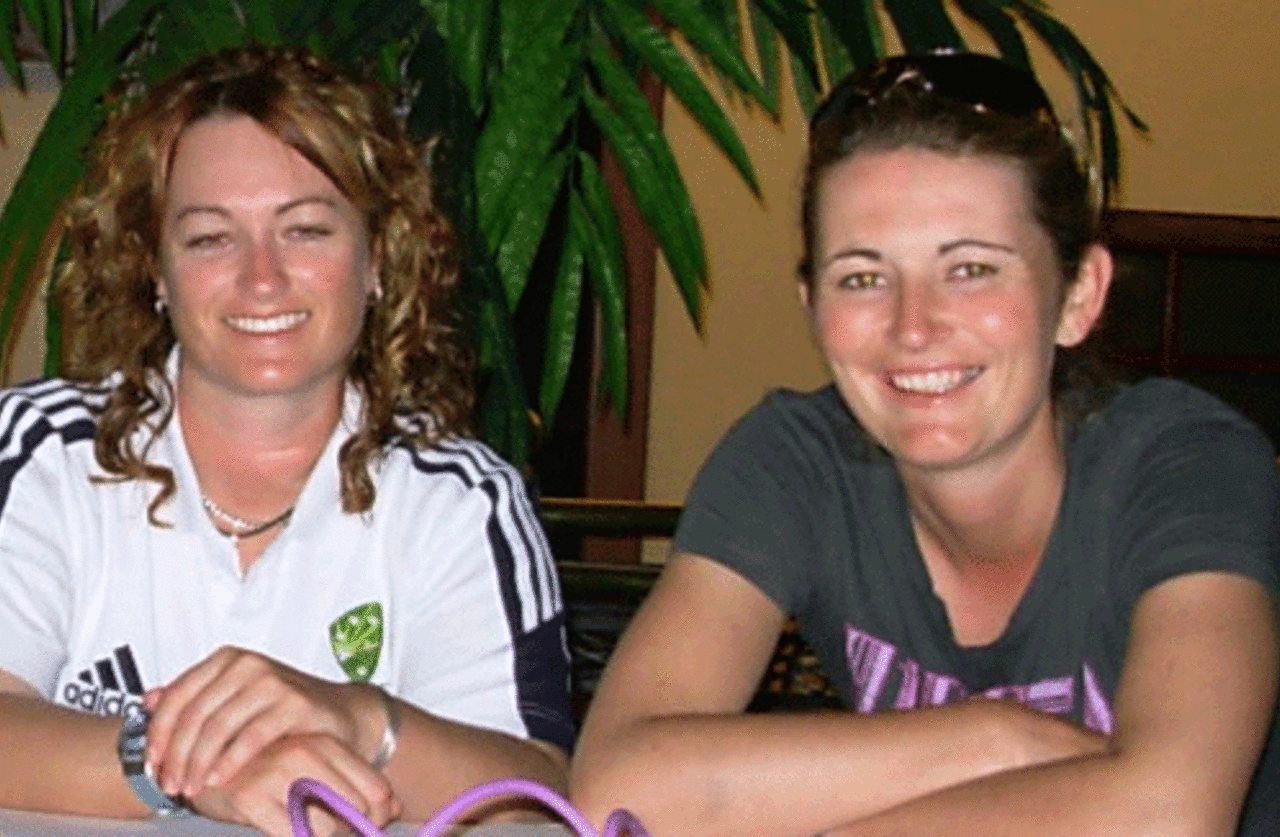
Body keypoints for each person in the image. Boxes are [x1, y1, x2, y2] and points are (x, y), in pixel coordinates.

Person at [571, 52, 1280, 837]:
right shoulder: (794, 457)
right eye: (864, 278)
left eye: (972, 269)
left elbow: (1168, 816)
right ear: (812, 306)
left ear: (1079, 295)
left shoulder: (1187, 462)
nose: (913, 328)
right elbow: (615, 785)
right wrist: (993, 737)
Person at [0, 46, 571, 835]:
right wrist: (187, 767)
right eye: (210, 238)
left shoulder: (462, 500)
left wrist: (361, 718)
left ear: (378, 257)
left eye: (305, 229)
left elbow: (535, 793)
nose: (262, 278)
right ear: (155, 270)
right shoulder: (42, 452)